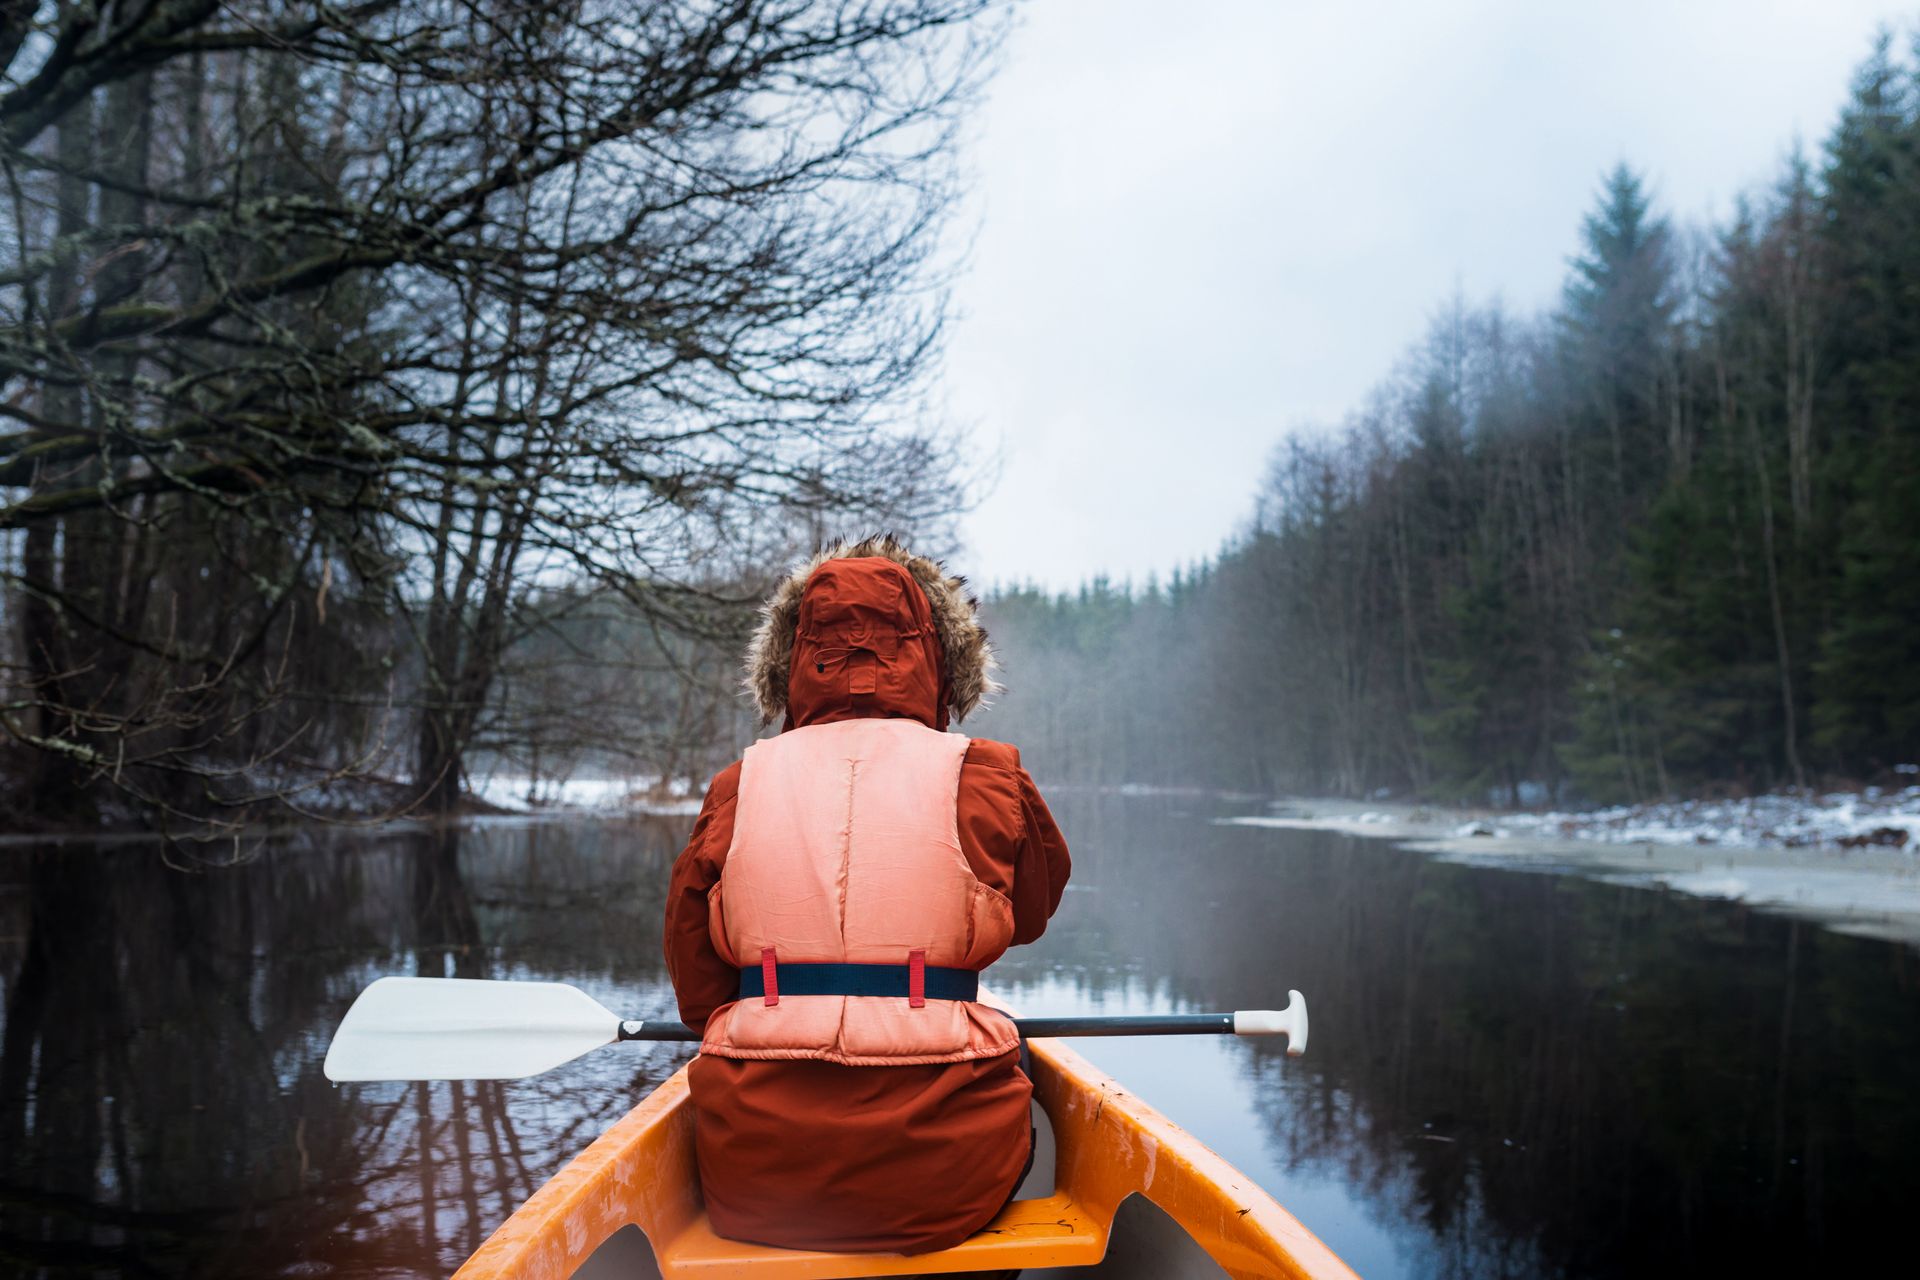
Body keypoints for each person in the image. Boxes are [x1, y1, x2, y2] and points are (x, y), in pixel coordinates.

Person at [663, 535, 1072, 1254]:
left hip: (760, 1180)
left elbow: (698, 989)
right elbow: (1033, 914)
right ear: (941, 660)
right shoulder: (987, 772)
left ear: (791, 661)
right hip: (948, 1186)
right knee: (1024, 1080)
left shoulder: (739, 783)